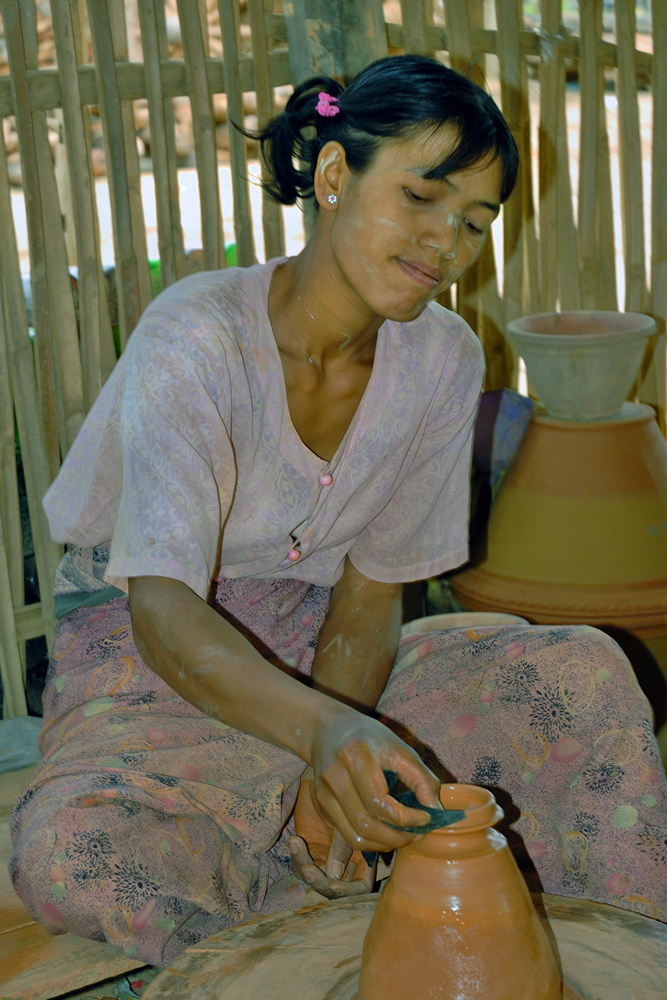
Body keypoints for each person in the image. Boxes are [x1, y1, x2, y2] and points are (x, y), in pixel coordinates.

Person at [10, 56, 666, 967]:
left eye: (474, 224)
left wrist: (333, 751)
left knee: (582, 674)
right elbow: (160, 609)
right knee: (74, 852)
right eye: (421, 198)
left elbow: (367, 600)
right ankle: (312, 940)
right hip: (146, 665)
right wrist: (322, 739)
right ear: (331, 178)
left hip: (325, 650)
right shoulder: (195, 336)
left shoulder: (440, 360)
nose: (447, 244)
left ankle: (615, 965)